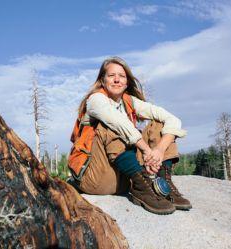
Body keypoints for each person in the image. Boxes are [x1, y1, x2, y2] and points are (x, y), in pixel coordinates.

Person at [67, 56, 191, 215]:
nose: (117, 80)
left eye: (122, 76)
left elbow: (173, 119)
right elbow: (118, 122)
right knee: (111, 124)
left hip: (125, 176)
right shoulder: (96, 100)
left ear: (127, 82)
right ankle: (141, 188)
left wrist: (159, 151)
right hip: (97, 178)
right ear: (103, 80)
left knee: (159, 124)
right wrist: (147, 150)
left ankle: (162, 186)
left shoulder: (129, 102)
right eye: (111, 76)